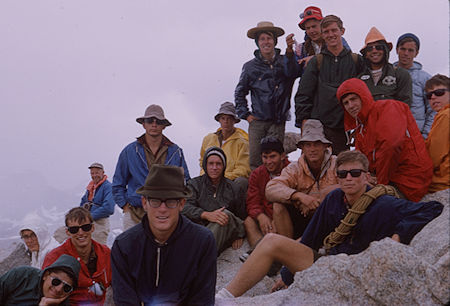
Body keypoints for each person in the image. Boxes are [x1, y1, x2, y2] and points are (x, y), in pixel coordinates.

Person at [216, 150, 443, 298]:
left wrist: (398, 237)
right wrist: (286, 275)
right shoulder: (334, 199)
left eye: (355, 173)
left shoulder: (384, 203)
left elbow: (431, 209)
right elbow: (311, 240)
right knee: (272, 241)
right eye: (342, 174)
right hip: (328, 264)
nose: (349, 178)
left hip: (356, 271)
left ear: (366, 176)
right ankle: (224, 298)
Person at [111, 165, 217, 305]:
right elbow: (125, 301)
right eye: (155, 201)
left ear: (182, 204)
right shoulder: (124, 246)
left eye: (171, 201)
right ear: (144, 203)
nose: (162, 209)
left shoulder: (202, 242)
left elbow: (202, 300)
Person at [336, 78, 433, 201]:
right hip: (389, 180)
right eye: (346, 103)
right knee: (338, 195)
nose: (350, 106)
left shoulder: (388, 107)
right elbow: (361, 161)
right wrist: (367, 176)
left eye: (353, 99)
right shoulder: (361, 129)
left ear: (363, 96)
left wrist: (380, 184)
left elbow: (391, 146)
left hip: (409, 182)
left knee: (362, 202)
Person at [294, 15, 365, 155]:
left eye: (334, 30)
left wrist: (360, 125)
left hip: (345, 127)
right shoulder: (316, 62)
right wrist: (303, 122)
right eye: (326, 31)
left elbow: (364, 95)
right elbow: (303, 94)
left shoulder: (356, 60)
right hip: (319, 127)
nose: (330, 35)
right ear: (322, 33)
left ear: (342, 31)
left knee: (342, 170)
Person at [113, 104, 190, 230]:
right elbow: (117, 183)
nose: (154, 124)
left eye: (158, 121)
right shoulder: (129, 151)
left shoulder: (176, 152)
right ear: (143, 124)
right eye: (150, 121)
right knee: (132, 250)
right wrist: (125, 206)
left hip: (166, 215)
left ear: (164, 125)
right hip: (135, 215)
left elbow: (185, 181)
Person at [235, 21, 296, 169]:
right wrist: (246, 115)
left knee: (276, 162)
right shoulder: (249, 67)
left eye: (269, 38)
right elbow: (240, 92)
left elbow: (293, 72)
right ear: (257, 43)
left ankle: (275, 191)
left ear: (275, 41)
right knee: (256, 163)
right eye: (262, 39)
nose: (266, 42)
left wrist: (289, 51)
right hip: (257, 122)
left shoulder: (285, 61)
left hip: (277, 121)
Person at [266, 119, 339, 239]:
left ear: (325, 146)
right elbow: (271, 188)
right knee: (278, 206)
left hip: (329, 218)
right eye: (308, 145)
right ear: (302, 148)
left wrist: (317, 201)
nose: (312, 149)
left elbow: (350, 185)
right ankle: (288, 249)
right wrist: (300, 197)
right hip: (302, 218)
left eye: (317, 144)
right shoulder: (294, 168)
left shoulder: (337, 163)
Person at [183, 147, 246, 254]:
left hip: (224, 229)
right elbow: (184, 207)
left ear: (224, 166)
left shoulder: (234, 188)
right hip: (200, 229)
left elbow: (241, 216)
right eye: (211, 164)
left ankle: (199, 257)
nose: (214, 167)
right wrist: (205, 214)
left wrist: (239, 235)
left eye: (218, 164)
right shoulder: (194, 184)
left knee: (224, 214)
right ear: (205, 165)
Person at [43, 207, 111, 305]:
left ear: (92, 228)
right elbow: (45, 291)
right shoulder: (54, 257)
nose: (80, 233)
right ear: (67, 232)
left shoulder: (106, 253)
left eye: (85, 227)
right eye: (74, 229)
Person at [243, 137, 289, 250]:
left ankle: (280, 253)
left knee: (278, 208)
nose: (268, 162)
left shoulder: (291, 170)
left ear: (282, 156)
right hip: (266, 217)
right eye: (265, 157)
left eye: (273, 156)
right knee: (248, 221)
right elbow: (252, 202)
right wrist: (260, 216)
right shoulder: (257, 174)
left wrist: (276, 220)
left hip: (286, 217)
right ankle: (261, 251)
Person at [285, 6, 351, 77]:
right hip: (311, 87)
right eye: (308, 28)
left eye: (314, 26)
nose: (311, 31)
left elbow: (347, 61)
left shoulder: (336, 40)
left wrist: (316, 59)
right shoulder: (301, 48)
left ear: (322, 26)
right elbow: (291, 73)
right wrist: (289, 52)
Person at [200, 101, 251, 191]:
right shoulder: (208, 138)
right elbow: (202, 161)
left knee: (241, 181)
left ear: (234, 121)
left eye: (229, 118)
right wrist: (208, 176)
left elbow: (243, 169)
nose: (226, 121)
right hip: (209, 179)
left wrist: (222, 178)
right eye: (223, 118)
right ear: (219, 120)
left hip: (230, 181)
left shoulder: (243, 142)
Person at [394, 33, 435, 138]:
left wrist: (425, 135)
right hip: (391, 134)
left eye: (410, 50)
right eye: (402, 49)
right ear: (397, 50)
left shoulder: (425, 79)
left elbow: (433, 110)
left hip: (416, 136)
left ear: (416, 53)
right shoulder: (388, 74)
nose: (406, 53)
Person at [358, 27, 412, 105]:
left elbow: (405, 105)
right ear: (365, 54)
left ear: (385, 50)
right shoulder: (359, 79)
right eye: (370, 49)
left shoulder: (401, 74)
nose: (374, 51)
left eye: (378, 47)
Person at [0, 254, 80, 306]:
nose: (59, 289)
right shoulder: (21, 276)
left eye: (66, 287)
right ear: (46, 275)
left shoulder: (62, 303)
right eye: (56, 281)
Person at [424, 74, 450, 193]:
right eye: (429, 95)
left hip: (443, 183)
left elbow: (433, 157)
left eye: (439, 92)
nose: (433, 97)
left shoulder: (445, 115)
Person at [79, 162, 115, 245]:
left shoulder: (108, 187)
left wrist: (89, 217)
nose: (94, 175)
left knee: (98, 250)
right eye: (92, 173)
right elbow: (83, 201)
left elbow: (108, 208)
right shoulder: (90, 187)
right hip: (87, 224)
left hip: (100, 223)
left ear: (103, 172)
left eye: (97, 173)